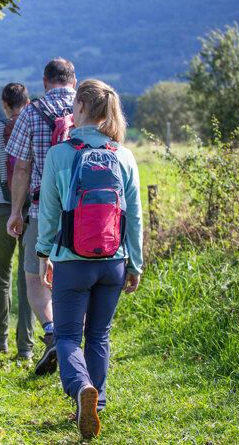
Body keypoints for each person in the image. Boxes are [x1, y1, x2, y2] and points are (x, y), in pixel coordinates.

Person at [36, 79, 143, 439]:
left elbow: (49, 213)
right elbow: (135, 216)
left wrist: (43, 254)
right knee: (99, 335)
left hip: (70, 259)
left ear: (79, 107)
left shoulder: (60, 154)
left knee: (67, 336)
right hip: (114, 260)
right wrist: (135, 263)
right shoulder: (123, 155)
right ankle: (95, 407)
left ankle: (81, 388)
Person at [6, 57, 77, 375]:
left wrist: (15, 212)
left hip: (40, 210)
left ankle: (51, 331)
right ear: (73, 82)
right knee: (77, 279)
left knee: (35, 277)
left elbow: (21, 168)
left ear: (45, 82)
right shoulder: (92, 108)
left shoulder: (32, 112)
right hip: (84, 215)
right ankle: (72, 341)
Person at [0, 83, 35, 358]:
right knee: (29, 280)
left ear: (4, 104)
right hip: (31, 211)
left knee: (0, 277)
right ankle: (25, 346)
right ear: (27, 103)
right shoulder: (33, 126)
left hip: (2, 207)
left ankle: (0, 338)